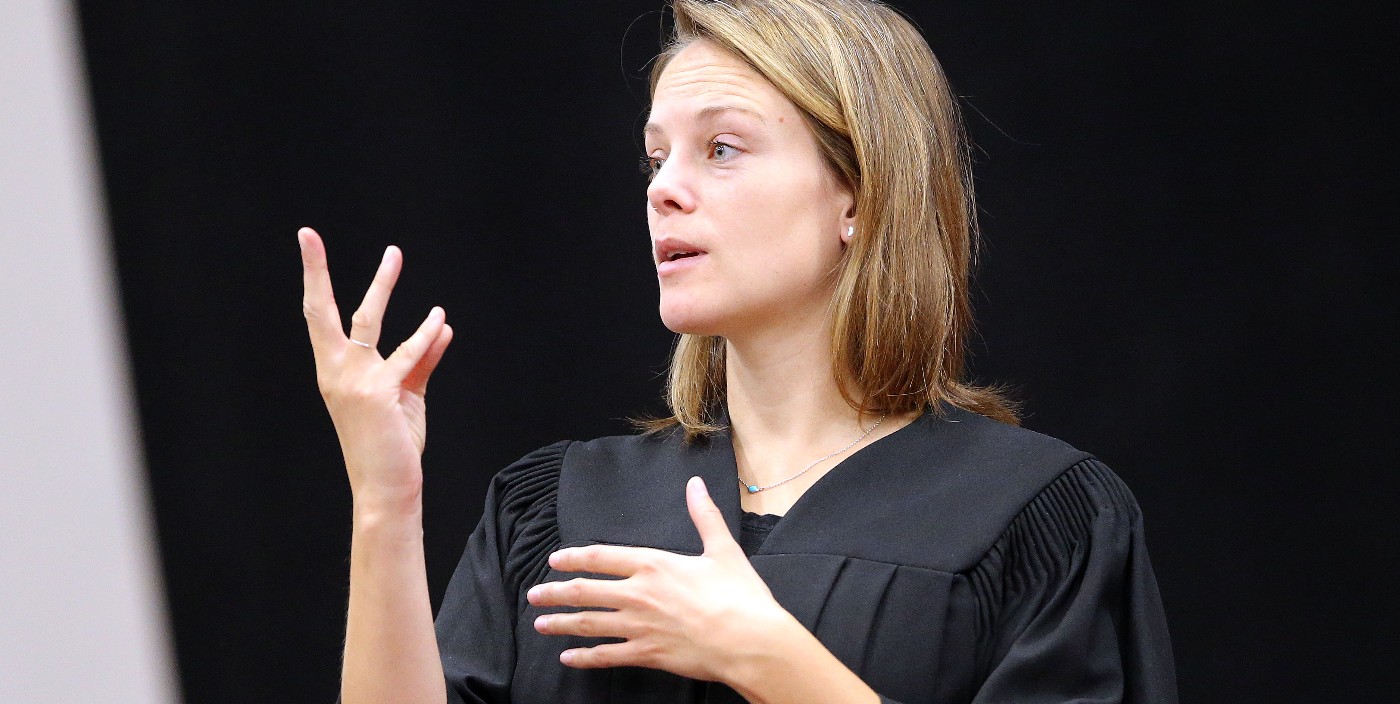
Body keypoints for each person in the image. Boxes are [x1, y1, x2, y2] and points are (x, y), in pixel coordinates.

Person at [298, 0, 1178, 702]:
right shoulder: (559, 510)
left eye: (722, 149)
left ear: (860, 198)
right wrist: (384, 498)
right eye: (655, 158)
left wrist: (760, 654)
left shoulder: (1033, 520)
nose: (664, 190)